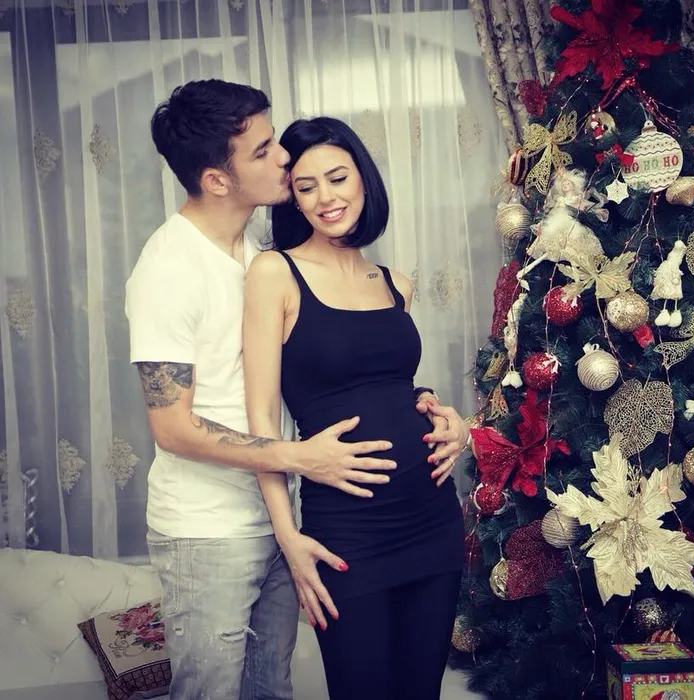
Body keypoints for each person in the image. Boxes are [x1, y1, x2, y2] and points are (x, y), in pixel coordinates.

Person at [125, 80, 466, 700]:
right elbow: (171, 426)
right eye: (264, 151)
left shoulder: (255, 247)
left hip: (319, 515)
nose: (283, 158)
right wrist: (300, 459)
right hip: (212, 525)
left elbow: (354, 370)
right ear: (217, 179)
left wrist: (440, 414)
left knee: (270, 688)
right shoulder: (172, 267)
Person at [243, 116, 470, 700]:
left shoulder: (395, 283)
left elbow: (391, 385)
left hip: (433, 520)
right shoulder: (275, 272)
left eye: (338, 178)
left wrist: (446, 418)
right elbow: (262, 419)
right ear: (293, 197)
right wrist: (288, 536)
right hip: (347, 532)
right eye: (306, 186)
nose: (325, 197)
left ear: (364, 180)